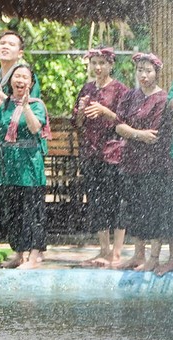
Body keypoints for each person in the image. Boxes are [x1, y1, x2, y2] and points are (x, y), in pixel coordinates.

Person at [0, 30, 42, 254]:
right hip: (2, 149)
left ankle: (31, 252)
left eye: (11, 44)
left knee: (24, 201)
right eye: (2, 42)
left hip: (24, 151)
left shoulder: (25, 74)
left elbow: (28, 109)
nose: (4, 46)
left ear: (20, 52)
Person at [0, 64, 51, 269]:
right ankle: (19, 254)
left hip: (30, 166)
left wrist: (26, 107)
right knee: (13, 211)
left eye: (25, 77)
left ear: (31, 83)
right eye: (17, 76)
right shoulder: (3, 105)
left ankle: (33, 257)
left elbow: (34, 127)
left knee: (33, 211)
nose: (20, 80)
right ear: (11, 81)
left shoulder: (37, 104)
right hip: (9, 166)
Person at [113, 53, 173, 273]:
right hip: (131, 162)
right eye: (140, 70)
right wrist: (137, 133)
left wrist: (131, 132)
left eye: (148, 71)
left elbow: (154, 133)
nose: (144, 75)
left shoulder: (162, 98)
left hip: (155, 164)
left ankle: (154, 257)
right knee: (134, 209)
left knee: (153, 209)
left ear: (157, 73)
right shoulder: (130, 96)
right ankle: (138, 254)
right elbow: (118, 125)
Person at [71, 47, 129, 267]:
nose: (98, 67)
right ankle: (103, 250)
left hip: (114, 152)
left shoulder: (121, 90)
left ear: (111, 65)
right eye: (94, 63)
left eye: (102, 63)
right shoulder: (86, 89)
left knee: (117, 201)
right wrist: (82, 111)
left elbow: (125, 121)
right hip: (91, 153)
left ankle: (116, 253)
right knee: (97, 202)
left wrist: (105, 111)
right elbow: (76, 123)